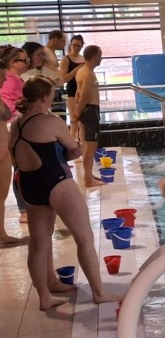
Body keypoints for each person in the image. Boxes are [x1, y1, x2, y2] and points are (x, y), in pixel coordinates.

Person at [9, 76, 119, 310]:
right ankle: (99, 293)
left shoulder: (16, 124)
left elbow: (14, 157)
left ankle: (45, 297)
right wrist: (76, 147)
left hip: (29, 184)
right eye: (51, 94)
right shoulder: (50, 121)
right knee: (84, 237)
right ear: (43, 97)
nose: (53, 97)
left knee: (38, 243)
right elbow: (74, 150)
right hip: (56, 181)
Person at [0, 57, 28, 247]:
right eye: (2, 76)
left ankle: (2, 234)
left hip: (4, 151)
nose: (4, 80)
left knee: (1, 196)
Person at [73, 45, 103, 187]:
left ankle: (89, 175)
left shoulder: (81, 71)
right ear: (95, 57)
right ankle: (88, 180)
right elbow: (84, 96)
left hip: (87, 111)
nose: (101, 58)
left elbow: (78, 94)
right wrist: (77, 113)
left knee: (87, 146)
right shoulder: (88, 75)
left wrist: (77, 111)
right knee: (90, 147)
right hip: (90, 111)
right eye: (100, 56)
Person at [59, 34, 85, 139]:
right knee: (74, 120)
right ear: (71, 45)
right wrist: (78, 68)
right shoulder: (66, 59)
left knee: (83, 122)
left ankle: (82, 144)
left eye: (78, 46)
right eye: (74, 45)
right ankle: (72, 145)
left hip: (83, 91)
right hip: (72, 92)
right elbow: (64, 79)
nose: (76, 48)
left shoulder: (83, 58)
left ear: (82, 46)